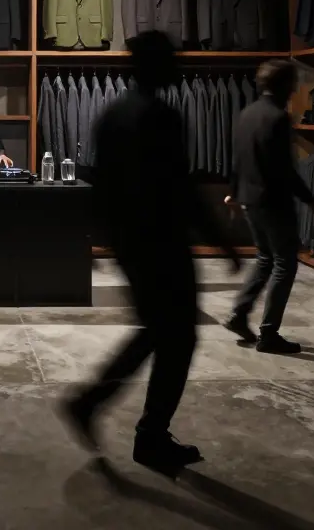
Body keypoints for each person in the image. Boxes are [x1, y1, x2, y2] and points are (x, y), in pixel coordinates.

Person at [62, 30, 240, 476]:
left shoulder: (111, 114)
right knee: (177, 338)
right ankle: (141, 431)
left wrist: (107, 241)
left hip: (131, 242)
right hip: (163, 243)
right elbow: (181, 187)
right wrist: (221, 242)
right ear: (159, 66)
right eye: (172, 60)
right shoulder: (161, 115)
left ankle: (101, 407)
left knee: (159, 331)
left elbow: (100, 182)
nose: (179, 67)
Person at [223, 59, 314, 354]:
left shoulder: (247, 113)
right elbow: (284, 169)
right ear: (286, 86)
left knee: (266, 258)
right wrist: (310, 199)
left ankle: (239, 314)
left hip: (250, 200)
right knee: (285, 263)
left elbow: (238, 158)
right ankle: (269, 333)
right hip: (274, 201)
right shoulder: (278, 118)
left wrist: (233, 191)